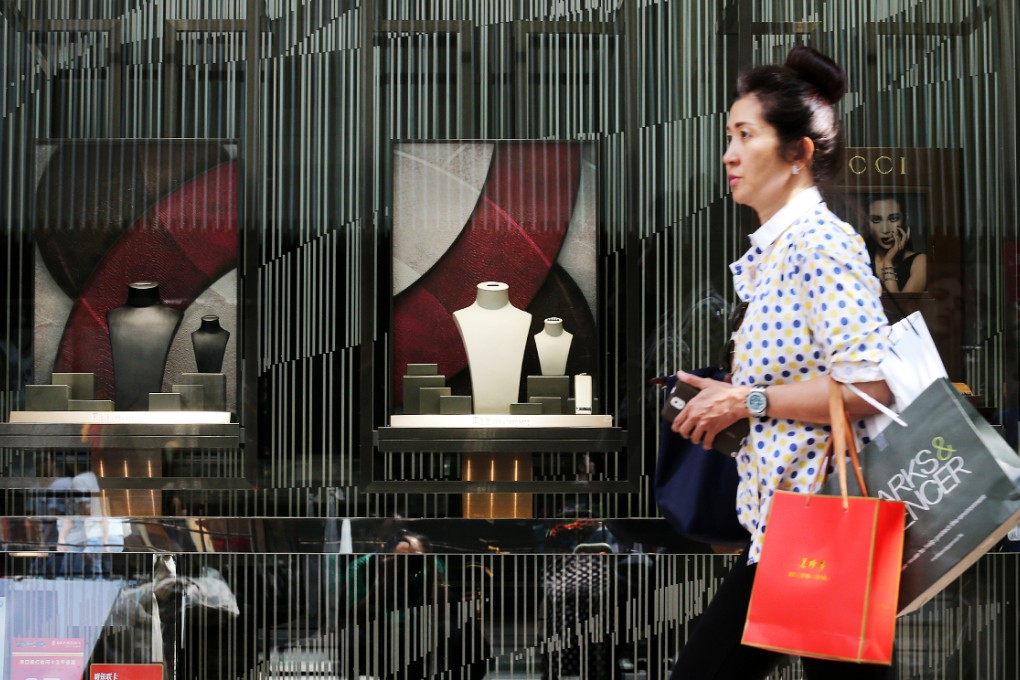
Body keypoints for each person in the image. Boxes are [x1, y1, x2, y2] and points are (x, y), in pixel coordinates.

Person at [667, 45, 896, 679]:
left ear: (798, 154)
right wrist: (729, 396)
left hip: (821, 529)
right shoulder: (780, 253)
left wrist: (747, 400)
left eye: (746, 136)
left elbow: (870, 384)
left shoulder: (820, 244)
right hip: (786, 529)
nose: (728, 155)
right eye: (728, 136)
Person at [864, 194, 927, 292]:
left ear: (904, 220)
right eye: (876, 220)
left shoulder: (920, 262)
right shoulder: (861, 260)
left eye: (893, 219)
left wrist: (888, 261)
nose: (885, 230)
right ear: (867, 224)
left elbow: (898, 306)